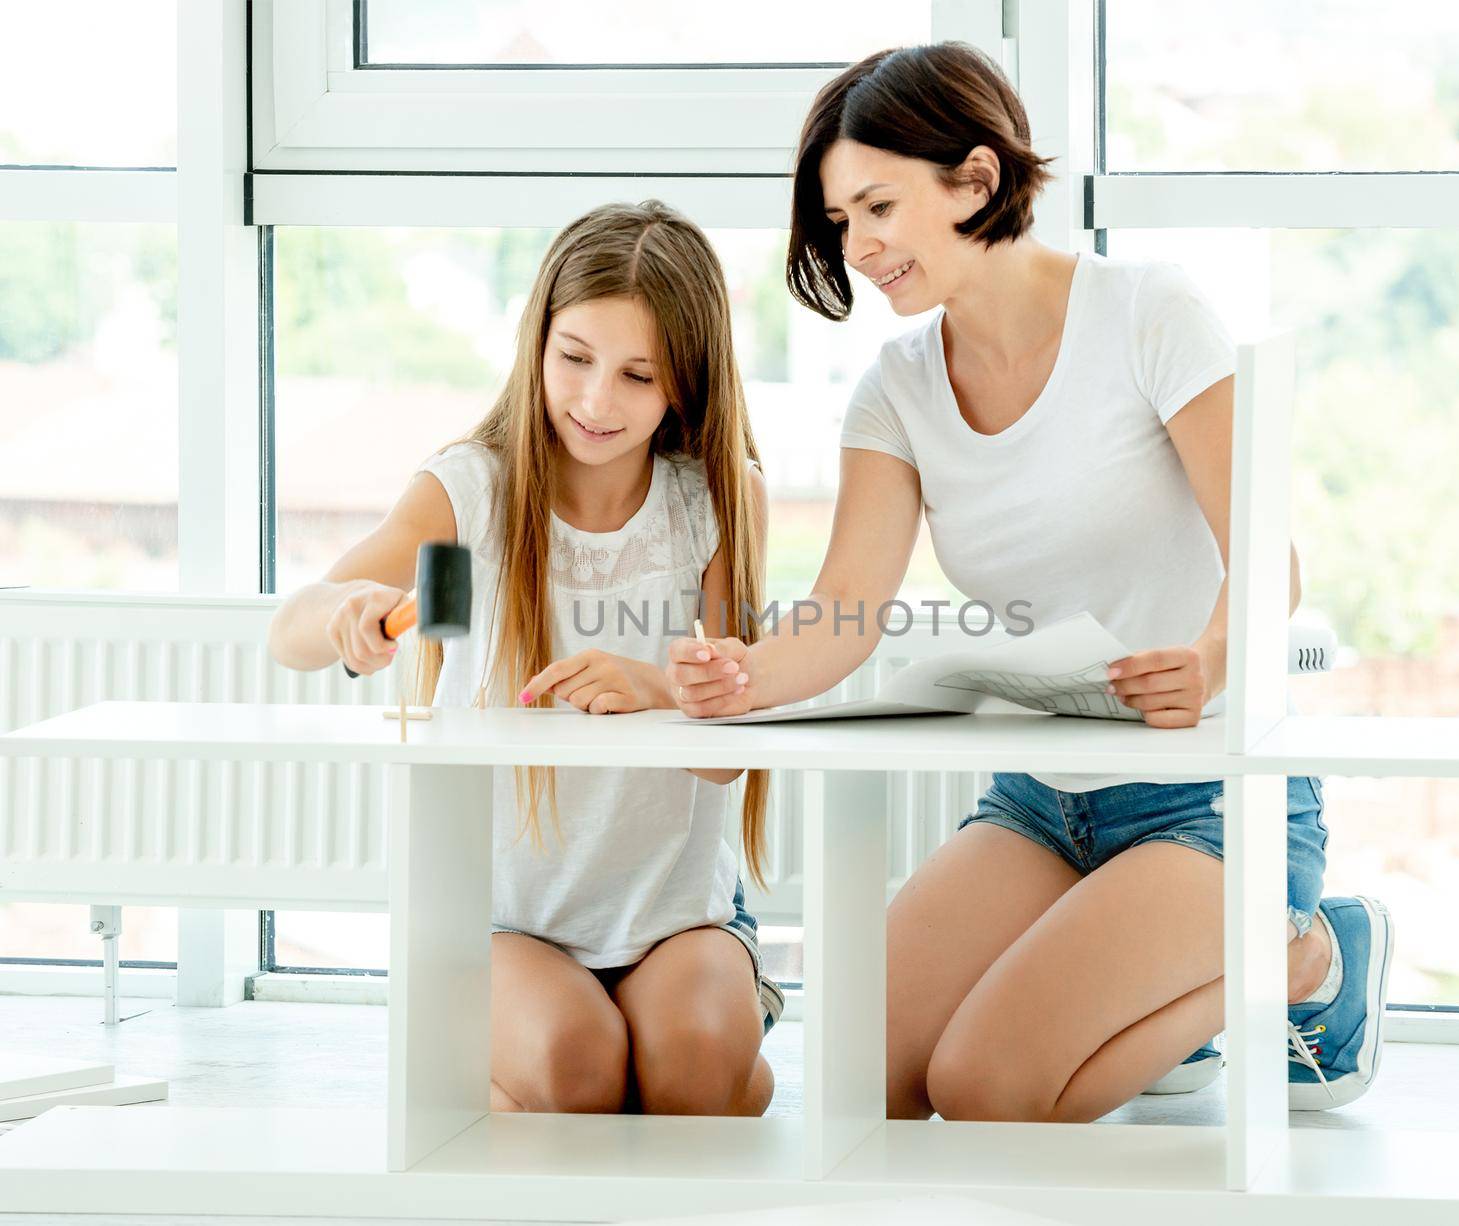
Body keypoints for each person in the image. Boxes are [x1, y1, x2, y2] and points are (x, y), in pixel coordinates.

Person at [667, 43, 1394, 1121]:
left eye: (877, 206)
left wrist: (1206, 659)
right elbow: (843, 616)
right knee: (865, 1071)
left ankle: (1305, 955)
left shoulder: (1150, 314)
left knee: (988, 1084)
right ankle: (1157, 1006)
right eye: (838, 222)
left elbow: (1267, 554)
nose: (858, 247)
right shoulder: (897, 390)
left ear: (976, 178)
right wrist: (740, 670)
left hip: (1213, 796)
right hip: (1047, 798)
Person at [269, 200, 783, 1117]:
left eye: (638, 375)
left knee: (697, 1065)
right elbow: (291, 632)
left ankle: (709, 1086)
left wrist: (666, 689)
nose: (596, 401)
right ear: (536, 341)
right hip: (503, 915)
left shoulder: (717, 497)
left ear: (686, 385)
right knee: (576, 1071)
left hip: (679, 912)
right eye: (575, 358)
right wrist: (346, 614)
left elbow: (726, 750)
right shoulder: (470, 490)